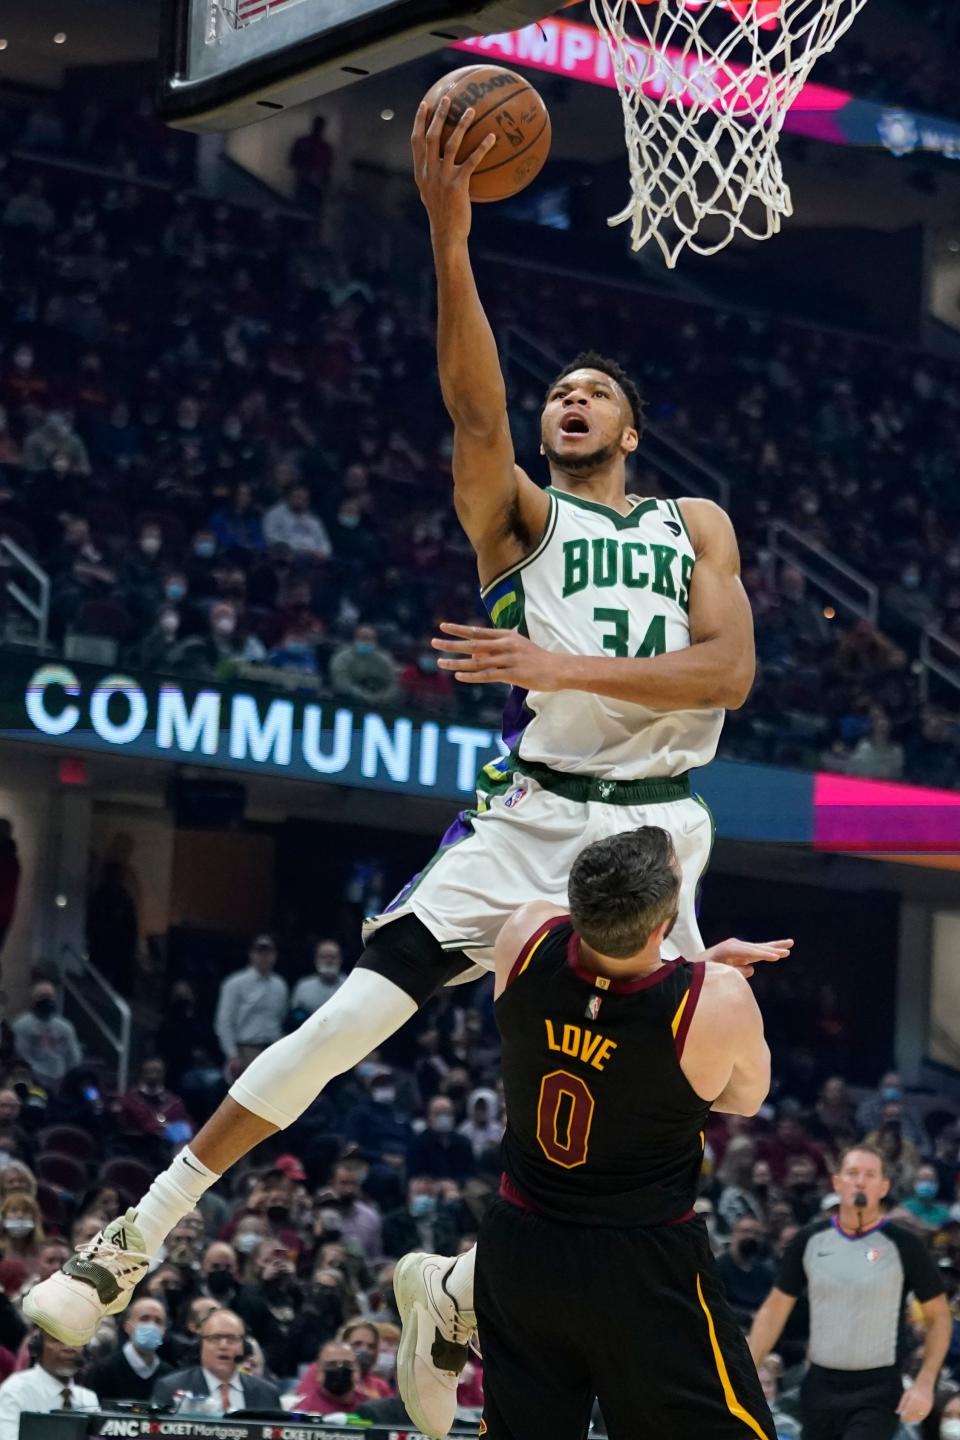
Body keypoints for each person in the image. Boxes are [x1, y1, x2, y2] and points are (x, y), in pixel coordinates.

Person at [22, 92, 789, 1357]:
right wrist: (449, 238)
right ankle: (129, 1242)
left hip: (660, 837)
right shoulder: (523, 518)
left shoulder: (692, 523)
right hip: (533, 816)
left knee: (664, 1114)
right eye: (561, 394)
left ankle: (458, 1294)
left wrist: (557, 656)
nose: (571, 400)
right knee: (343, 1028)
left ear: (634, 430)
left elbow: (729, 677)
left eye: (596, 392)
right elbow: (474, 409)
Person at [394, 827, 777, 1439]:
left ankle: (453, 1288)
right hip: (639, 1260)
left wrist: (692, 979)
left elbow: (599, 997)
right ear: (663, 924)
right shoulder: (715, 999)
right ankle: (449, 1286)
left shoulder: (524, 935)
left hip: (522, 1243)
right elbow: (744, 1097)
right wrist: (703, 978)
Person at [749, 1144, 951, 1440]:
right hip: (819, 1384)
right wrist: (746, 1369)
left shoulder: (905, 1245)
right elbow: (774, 1309)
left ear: (884, 1187)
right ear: (837, 1182)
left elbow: (939, 1317)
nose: (860, 1181)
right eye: (853, 1173)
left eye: (870, 1175)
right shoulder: (810, 1239)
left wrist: (925, 1381)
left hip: (878, 1388)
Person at [151, 1308, 281, 1413]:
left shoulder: (267, 1393)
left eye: (232, 1339)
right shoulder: (170, 1387)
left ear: (243, 1347)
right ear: (201, 1345)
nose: (223, 1346)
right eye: (215, 1338)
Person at [0, 1332, 98, 1437]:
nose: (69, 1348)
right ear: (39, 1346)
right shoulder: (15, 1391)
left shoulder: (89, 1399)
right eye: (57, 1340)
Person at [213, 935, 289, 1066]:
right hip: (245, 1049)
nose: (264, 956)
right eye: (260, 952)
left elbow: (281, 1017)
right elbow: (224, 1022)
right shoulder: (234, 983)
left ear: (275, 955)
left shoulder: (280, 985)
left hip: (272, 1049)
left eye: (268, 952)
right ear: (251, 954)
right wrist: (232, 1055)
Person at [82, 1296, 172, 1402]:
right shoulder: (102, 1371)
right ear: (127, 1327)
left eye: (158, 1321)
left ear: (164, 1331)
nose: (151, 1325)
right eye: (144, 1319)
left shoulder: (170, 1375)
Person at [10, 980, 82, 1092]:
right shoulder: (22, 1025)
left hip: (60, 1079)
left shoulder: (65, 1027)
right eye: (42, 996)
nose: (47, 1000)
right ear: (34, 1000)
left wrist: (66, 1077)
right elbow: (22, 1055)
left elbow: (74, 1056)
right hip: (33, 1080)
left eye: (50, 996)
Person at [716, 1216, 776, 1321]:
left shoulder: (766, 1272)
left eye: (757, 1234)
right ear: (733, 1234)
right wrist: (749, 1316)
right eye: (745, 1231)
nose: (751, 1236)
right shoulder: (718, 1267)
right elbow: (715, 1305)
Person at [293, 1338, 362, 1415]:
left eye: (347, 1364)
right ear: (318, 1373)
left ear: (357, 1371)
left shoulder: (369, 1407)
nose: (340, 1369)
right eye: (332, 1365)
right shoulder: (304, 1412)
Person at [290, 940, 345, 1018]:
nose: (329, 961)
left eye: (333, 957)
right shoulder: (303, 987)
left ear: (340, 960)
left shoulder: (351, 985)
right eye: (324, 957)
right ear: (316, 960)